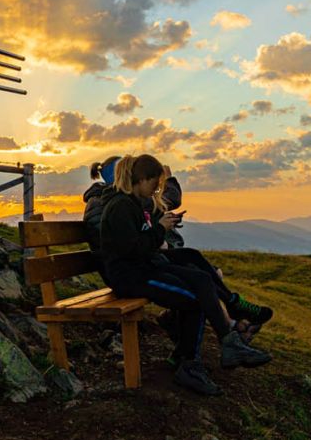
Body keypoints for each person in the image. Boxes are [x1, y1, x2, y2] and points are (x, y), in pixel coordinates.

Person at [99, 154, 273, 396]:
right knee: (194, 298)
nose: (156, 190)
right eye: (154, 184)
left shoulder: (133, 203)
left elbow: (140, 246)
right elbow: (131, 249)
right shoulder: (120, 207)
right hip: (131, 277)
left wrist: (159, 230)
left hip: (145, 267)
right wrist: (160, 229)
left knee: (200, 277)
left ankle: (225, 342)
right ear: (142, 179)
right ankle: (191, 363)